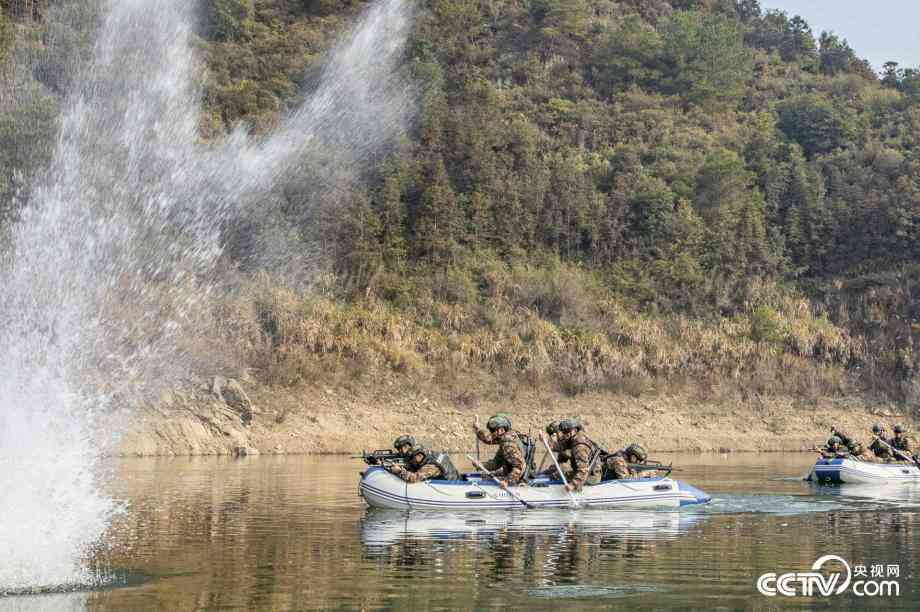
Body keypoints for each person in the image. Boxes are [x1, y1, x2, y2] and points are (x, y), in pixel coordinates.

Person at [541, 418, 602, 492]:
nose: (565, 434)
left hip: (591, 477)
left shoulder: (580, 447)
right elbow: (557, 446)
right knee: (555, 468)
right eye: (564, 431)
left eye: (567, 431)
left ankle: (550, 490)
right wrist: (545, 440)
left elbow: (583, 470)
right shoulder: (572, 439)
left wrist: (572, 485)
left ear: (575, 430)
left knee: (562, 469)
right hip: (584, 474)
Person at [473, 414, 526, 487]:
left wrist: (507, 481)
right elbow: (496, 463)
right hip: (509, 472)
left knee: (486, 477)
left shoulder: (508, 444)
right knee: (484, 475)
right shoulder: (504, 439)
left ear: (501, 430)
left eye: (492, 430)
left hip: (516, 477)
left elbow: (520, 466)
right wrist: (481, 465)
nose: (491, 433)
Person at [387, 446, 461, 482]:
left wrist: (399, 471)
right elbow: (413, 466)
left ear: (419, 455)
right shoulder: (430, 455)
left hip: (451, 486)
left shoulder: (432, 466)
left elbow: (414, 478)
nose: (412, 461)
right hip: (451, 480)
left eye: (412, 458)